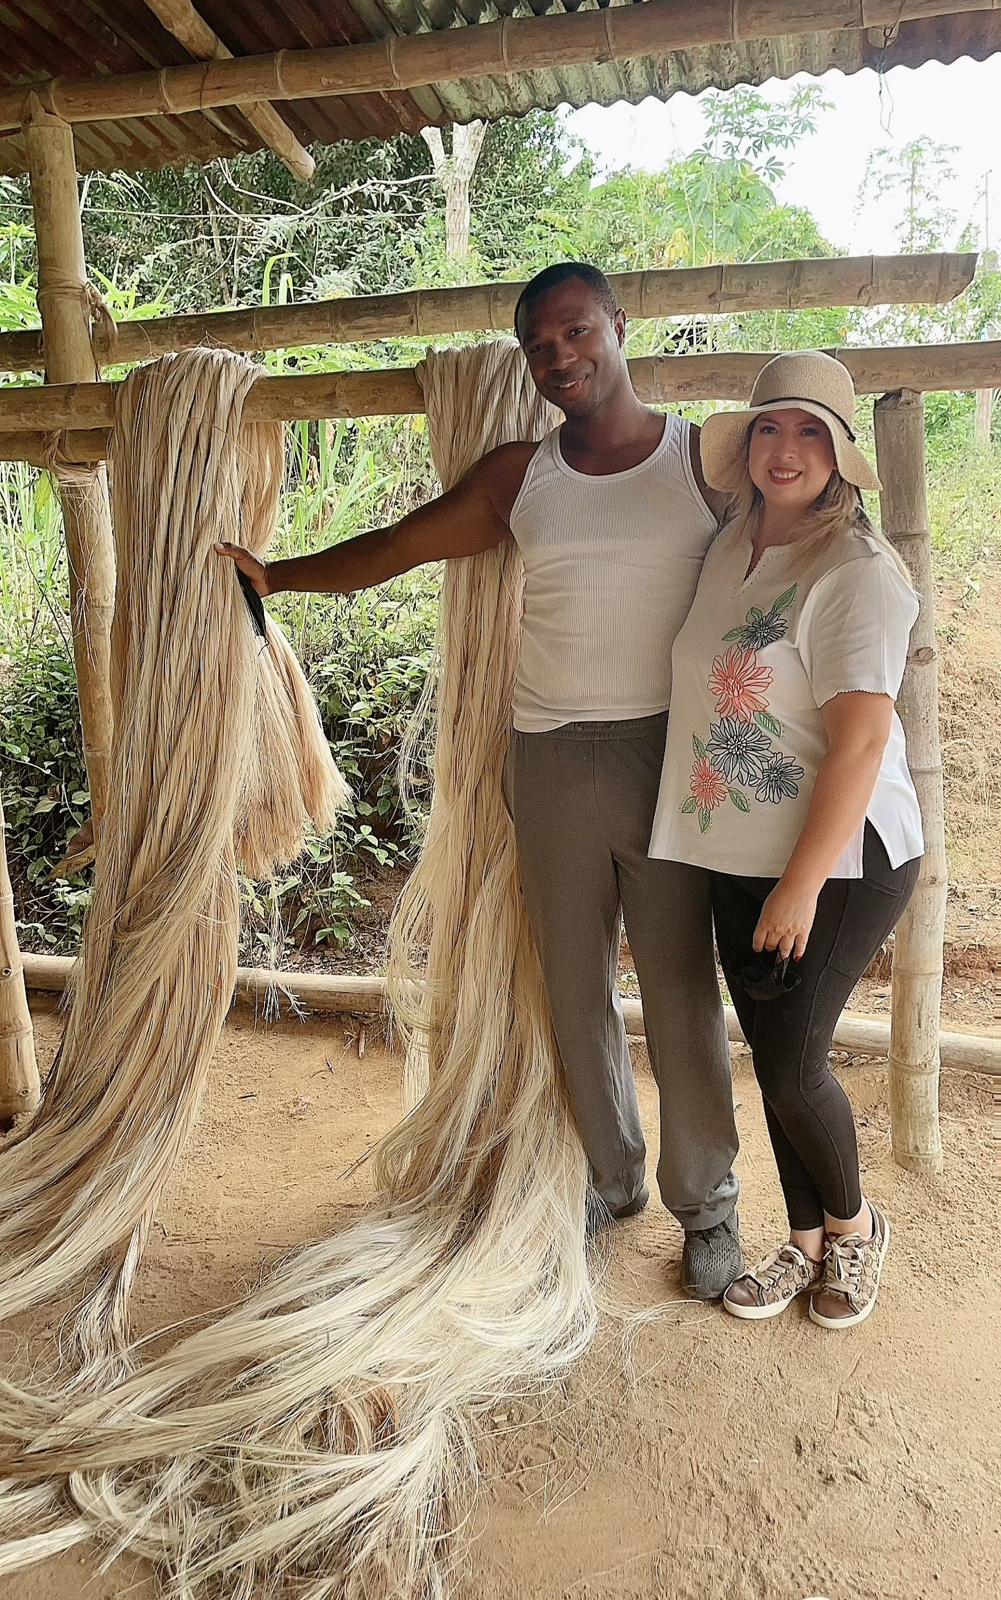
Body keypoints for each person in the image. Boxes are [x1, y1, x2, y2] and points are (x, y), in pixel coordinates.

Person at [218, 262, 743, 1300]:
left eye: (576, 332)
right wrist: (278, 576)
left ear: (619, 326)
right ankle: (612, 1177)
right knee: (571, 980)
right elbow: (399, 547)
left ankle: (708, 1209)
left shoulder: (702, 463)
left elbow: (786, 558)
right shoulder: (521, 477)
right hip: (544, 756)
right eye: (540, 347)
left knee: (681, 986)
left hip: (667, 756)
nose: (561, 358)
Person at [649, 350, 923, 1328]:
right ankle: (801, 1243)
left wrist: (798, 885)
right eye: (770, 427)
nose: (785, 449)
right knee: (768, 1050)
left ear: (841, 456)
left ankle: (853, 1232)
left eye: (811, 431)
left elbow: (856, 745)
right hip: (739, 843)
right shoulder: (732, 542)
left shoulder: (851, 572)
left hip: (839, 857)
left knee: (794, 1060)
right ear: (747, 444)